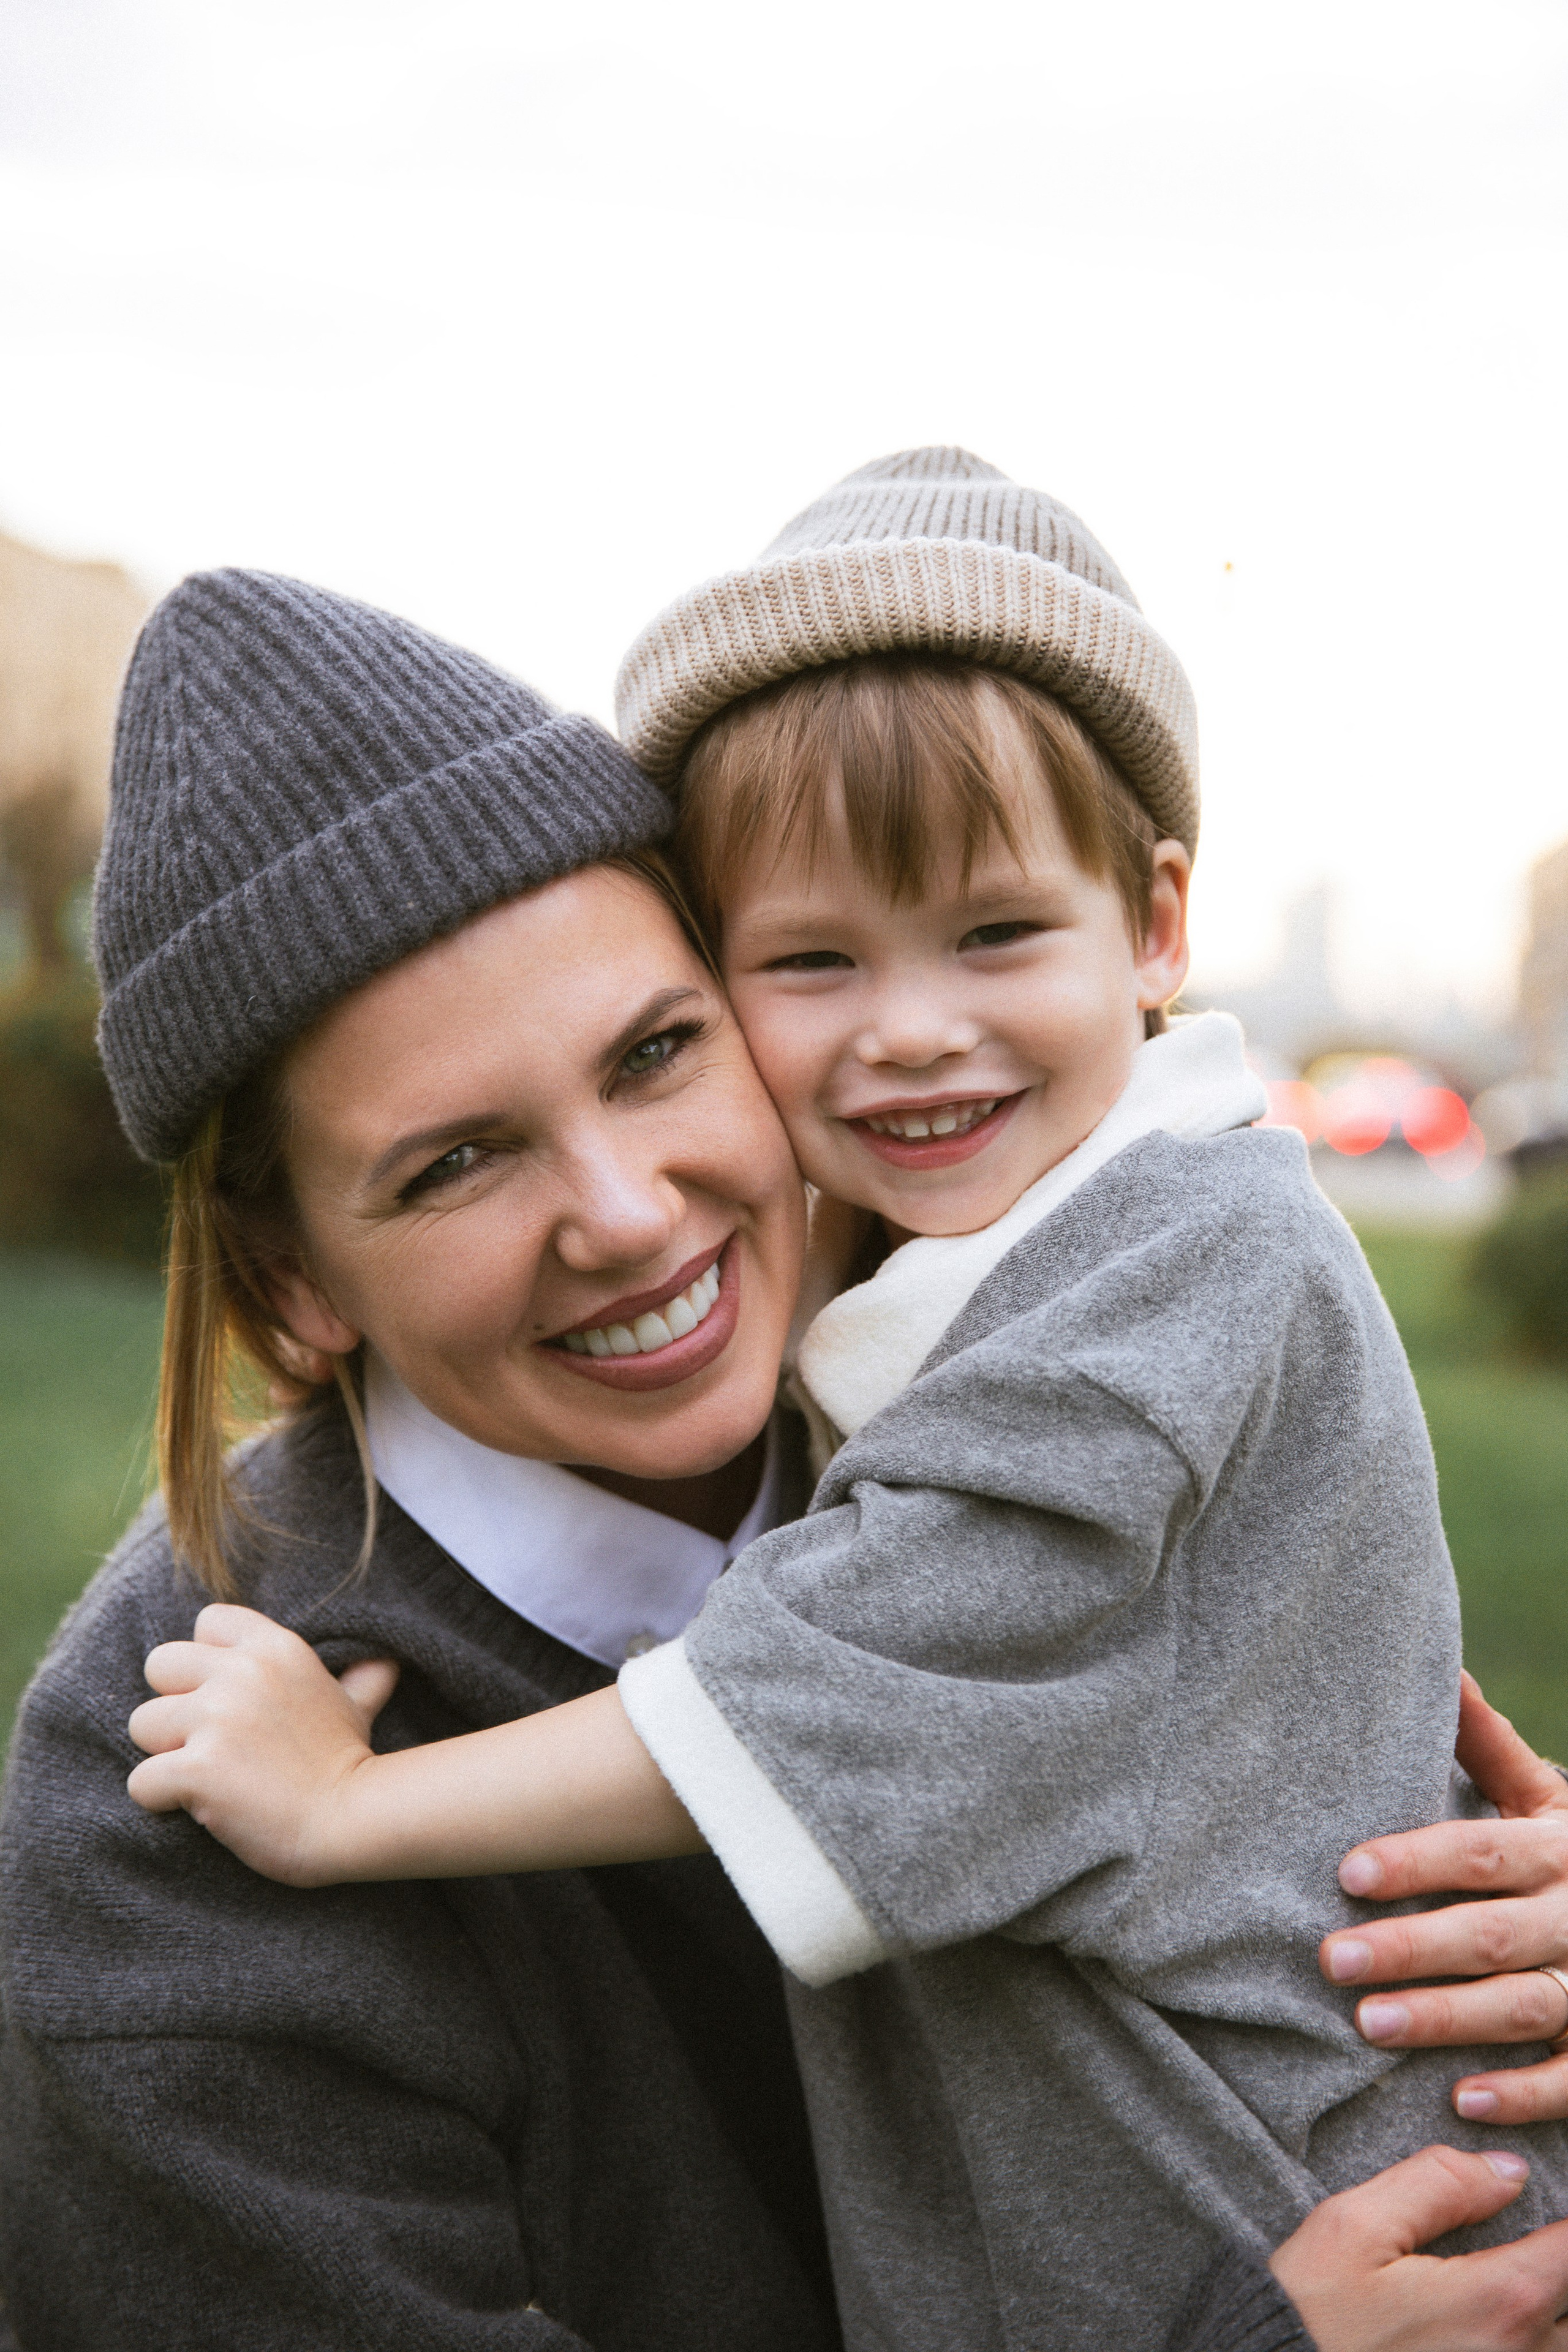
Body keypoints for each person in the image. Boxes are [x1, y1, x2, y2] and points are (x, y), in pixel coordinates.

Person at [6, 558, 1564, 2352]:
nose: (624, 1212)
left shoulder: (1040, 1390)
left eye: (660, 1052)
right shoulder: (170, 1834)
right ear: (292, 1284)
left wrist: (1474, 1942)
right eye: (455, 1162)